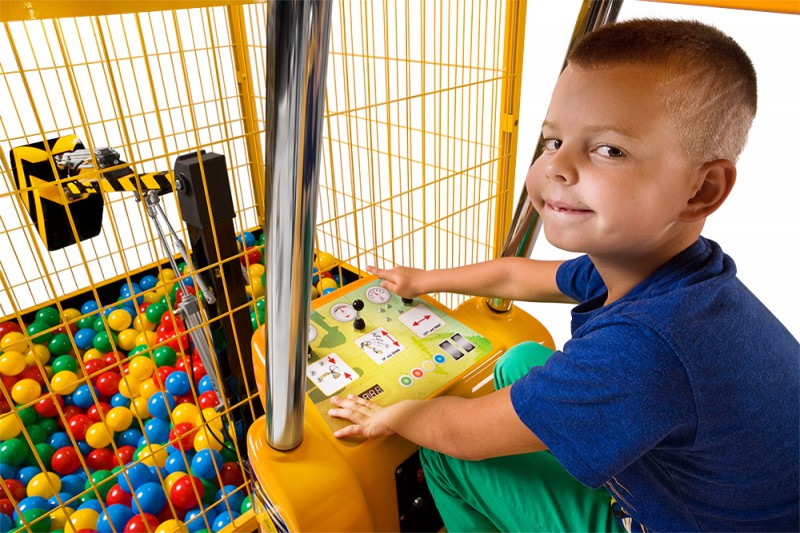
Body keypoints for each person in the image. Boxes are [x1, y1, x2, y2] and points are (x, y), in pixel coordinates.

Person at [328, 18, 800, 532]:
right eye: (553, 141)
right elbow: (515, 277)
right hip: (708, 490)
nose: (557, 166)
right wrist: (423, 279)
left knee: (444, 455)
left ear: (702, 190)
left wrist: (394, 415)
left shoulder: (644, 347)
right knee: (523, 361)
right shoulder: (665, 273)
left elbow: (461, 435)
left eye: (609, 150)